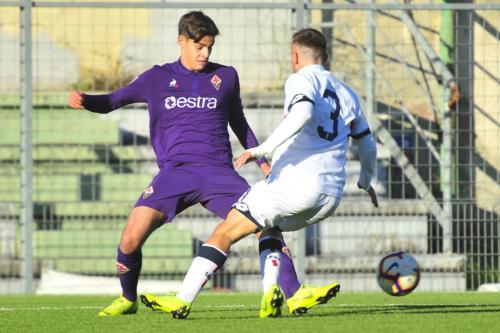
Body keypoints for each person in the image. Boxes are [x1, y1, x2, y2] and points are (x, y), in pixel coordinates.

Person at [68, 12, 338, 317]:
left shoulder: (225, 78)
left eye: (209, 47)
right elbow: (112, 101)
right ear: (181, 41)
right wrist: (86, 100)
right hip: (174, 174)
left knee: (266, 224)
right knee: (130, 238)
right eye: (199, 46)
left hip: (219, 174)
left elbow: (240, 124)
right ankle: (128, 298)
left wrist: (262, 161)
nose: (205, 53)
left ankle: (294, 294)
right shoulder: (156, 78)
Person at [141, 28, 378, 319]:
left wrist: (261, 149)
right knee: (266, 225)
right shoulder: (348, 92)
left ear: (295, 55)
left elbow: (302, 113)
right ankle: (272, 294)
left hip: (297, 184)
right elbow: (367, 143)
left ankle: (182, 299)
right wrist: (366, 180)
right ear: (325, 56)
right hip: (331, 195)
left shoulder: (301, 79)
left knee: (225, 231)